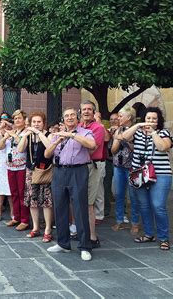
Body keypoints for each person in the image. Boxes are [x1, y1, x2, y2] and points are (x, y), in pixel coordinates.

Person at [45, 107, 96, 261]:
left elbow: (91, 145)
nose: (69, 118)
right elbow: (47, 154)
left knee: (80, 208)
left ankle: (85, 246)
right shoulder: (57, 134)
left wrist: (71, 135)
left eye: (72, 115)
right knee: (59, 207)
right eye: (66, 116)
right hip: (59, 171)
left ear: (77, 117)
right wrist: (57, 141)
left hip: (78, 171)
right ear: (63, 119)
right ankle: (63, 243)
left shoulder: (84, 132)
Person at [122, 107, 173, 250]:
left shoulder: (164, 133)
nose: (150, 121)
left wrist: (153, 133)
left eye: (154, 119)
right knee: (143, 206)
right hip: (139, 174)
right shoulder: (137, 133)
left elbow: (163, 147)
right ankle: (149, 234)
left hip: (161, 174)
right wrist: (137, 125)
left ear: (158, 121)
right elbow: (124, 137)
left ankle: (164, 237)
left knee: (158, 206)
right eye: (148, 118)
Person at [22, 112, 53, 242]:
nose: (36, 124)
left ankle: (47, 229)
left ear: (43, 123)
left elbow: (50, 146)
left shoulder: (48, 134)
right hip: (31, 171)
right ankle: (35, 227)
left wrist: (39, 133)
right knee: (32, 200)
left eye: (38, 122)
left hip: (45, 171)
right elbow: (19, 149)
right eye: (33, 122)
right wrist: (25, 136)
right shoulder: (29, 136)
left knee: (46, 201)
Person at [79, 100, 105, 248]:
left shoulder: (98, 128)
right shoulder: (78, 126)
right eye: (84, 109)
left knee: (89, 203)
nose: (86, 111)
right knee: (78, 201)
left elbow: (91, 149)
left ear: (94, 112)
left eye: (89, 109)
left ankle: (92, 237)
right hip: (79, 166)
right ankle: (82, 231)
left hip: (92, 165)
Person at [0, 110, 29, 230]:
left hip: (21, 166)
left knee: (22, 193)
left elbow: (22, 147)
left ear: (24, 120)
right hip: (10, 166)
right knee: (14, 193)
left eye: (19, 118)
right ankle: (16, 217)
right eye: (15, 118)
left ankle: (24, 220)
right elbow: (0, 147)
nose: (17, 120)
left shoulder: (26, 132)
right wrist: (5, 137)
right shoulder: (11, 131)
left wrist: (15, 136)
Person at [111, 106, 139, 233]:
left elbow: (136, 149)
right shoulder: (118, 130)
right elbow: (112, 150)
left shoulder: (137, 130)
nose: (118, 118)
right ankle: (119, 220)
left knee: (133, 195)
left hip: (132, 167)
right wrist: (117, 139)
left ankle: (135, 222)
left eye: (121, 115)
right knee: (119, 194)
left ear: (129, 117)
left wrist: (125, 140)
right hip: (119, 166)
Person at [0, 114, 13, 221]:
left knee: (10, 190)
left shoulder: (13, 132)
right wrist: (0, 128)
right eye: (2, 122)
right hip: (0, 166)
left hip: (11, 165)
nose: (5, 125)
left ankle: (13, 213)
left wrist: (9, 126)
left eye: (6, 123)